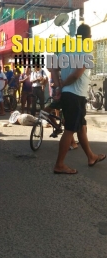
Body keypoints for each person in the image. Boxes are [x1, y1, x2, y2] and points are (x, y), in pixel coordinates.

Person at [51, 23, 105, 174]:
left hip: (69, 94)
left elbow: (53, 69)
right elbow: (76, 75)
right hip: (76, 95)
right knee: (69, 129)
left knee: (81, 127)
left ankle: (91, 157)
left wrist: (58, 86)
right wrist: (63, 85)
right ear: (89, 37)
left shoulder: (65, 49)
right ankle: (59, 164)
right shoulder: (86, 51)